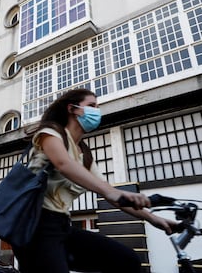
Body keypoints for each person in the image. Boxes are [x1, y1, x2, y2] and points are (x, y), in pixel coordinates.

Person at [13, 88, 177, 273]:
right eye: (91, 105)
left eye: (98, 107)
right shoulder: (51, 133)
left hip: (61, 227)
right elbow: (63, 163)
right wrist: (110, 191)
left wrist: (154, 219)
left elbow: (109, 193)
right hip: (34, 227)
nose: (96, 111)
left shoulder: (84, 154)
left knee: (127, 260)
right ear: (73, 109)